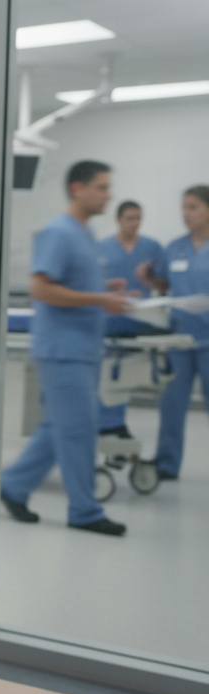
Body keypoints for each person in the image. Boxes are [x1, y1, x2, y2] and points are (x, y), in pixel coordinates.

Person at [0, 161, 132, 536]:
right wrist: (97, 297)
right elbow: (40, 288)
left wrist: (106, 288)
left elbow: (75, 282)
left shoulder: (83, 233)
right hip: (62, 349)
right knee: (77, 430)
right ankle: (85, 511)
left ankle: (13, 486)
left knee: (57, 426)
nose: (109, 195)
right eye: (102, 188)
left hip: (82, 347)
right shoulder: (58, 232)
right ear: (78, 188)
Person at [136, 185, 209, 481]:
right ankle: (167, 463)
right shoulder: (175, 247)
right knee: (172, 403)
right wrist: (149, 279)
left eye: (193, 207)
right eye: (183, 207)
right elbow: (165, 287)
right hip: (179, 338)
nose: (186, 214)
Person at [95, 201, 162, 438]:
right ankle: (106, 423)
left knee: (126, 375)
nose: (134, 223)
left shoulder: (152, 247)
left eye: (137, 219)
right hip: (109, 321)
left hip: (139, 321)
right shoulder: (102, 247)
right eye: (129, 218)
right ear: (118, 219)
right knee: (106, 373)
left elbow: (162, 282)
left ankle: (115, 423)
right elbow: (92, 283)